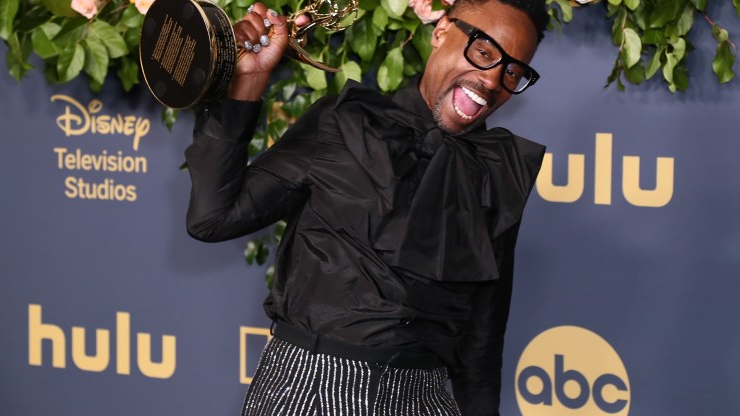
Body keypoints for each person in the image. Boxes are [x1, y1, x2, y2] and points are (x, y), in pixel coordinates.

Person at [185, 0, 549, 414]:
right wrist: (247, 84)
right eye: (483, 52)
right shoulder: (343, 123)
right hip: (308, 390)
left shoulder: (494, 172)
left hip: (426, 398)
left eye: (513, 72)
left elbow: (481, 340)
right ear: (441, 31)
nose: (492, 79)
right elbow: (213, 218)